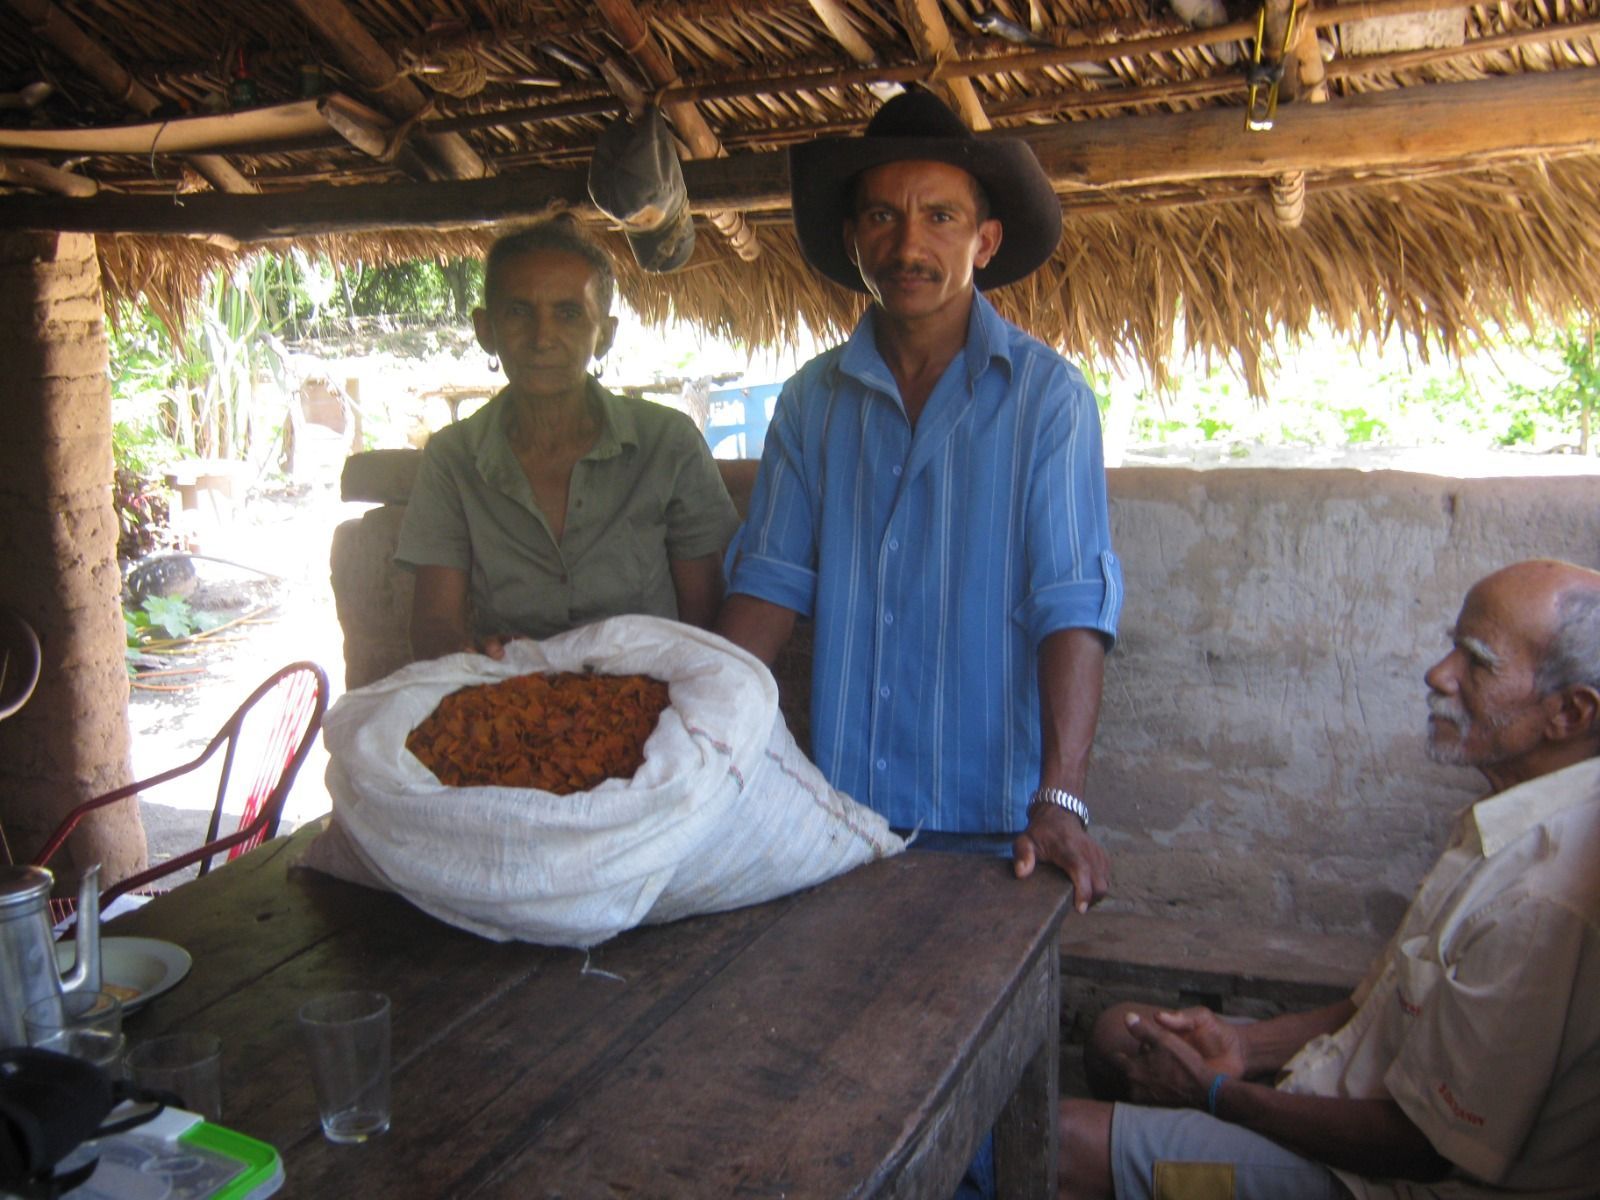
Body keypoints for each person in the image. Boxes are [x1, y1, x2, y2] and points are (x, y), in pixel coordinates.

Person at [1059, 558, 1600, 1200]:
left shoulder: (1543, 897)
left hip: (1390, 1179)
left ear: (1570, 712)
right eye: (1452, 647)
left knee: (1057, 1141)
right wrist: (1241, 1045)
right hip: (1357, 1106)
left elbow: (1420, 1149)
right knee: (1118, 1034)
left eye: (1476, 661)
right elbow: (1372, 1008)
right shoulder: (1508, 820)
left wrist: (1214, 1094)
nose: (1438, 673)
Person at [714, 87, 1123, 908]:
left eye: (940, 216)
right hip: (839, 817)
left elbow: (1071, 603)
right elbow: (767, 589)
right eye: (881, 218)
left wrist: (1061, 797)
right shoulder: (810, 403)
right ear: (852, 238)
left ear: (986, 239)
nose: (909, 244)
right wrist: (689, 738)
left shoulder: (1048, 399)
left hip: (999, 829)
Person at [396, 218, 739, 659]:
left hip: (650, 702)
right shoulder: (454, 458)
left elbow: (704, 626)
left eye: (569, 313)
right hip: (510, 702)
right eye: (519, 312)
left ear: (605, 336)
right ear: (486, 329)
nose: (543, 338)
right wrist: (473, 654)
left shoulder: (668, 445)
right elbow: (433, 624)